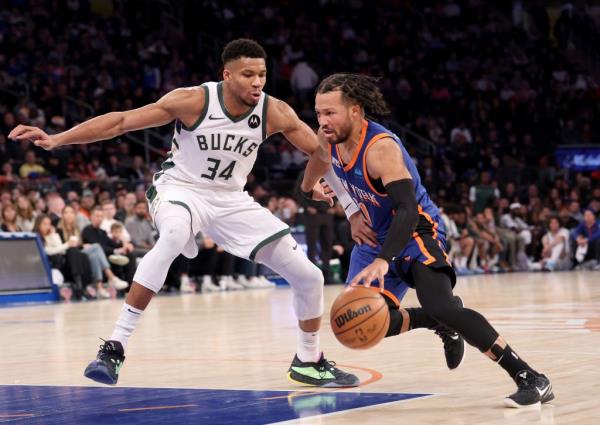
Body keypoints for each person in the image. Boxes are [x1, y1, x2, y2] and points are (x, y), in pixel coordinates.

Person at [9, 39, 359, 388]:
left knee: (310, 277)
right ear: (227, 75)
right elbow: (120, 122)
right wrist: (57, 139)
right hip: (180, 188)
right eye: (248, 74)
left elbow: (321, 151)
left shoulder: (274, 111)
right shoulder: (193, 100)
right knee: (174, 236)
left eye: (262, 75)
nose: (257, 82)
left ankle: (309, 361)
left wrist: (312, 186)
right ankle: (114, 348)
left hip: (230, 199)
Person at [300, 73, 553, 408]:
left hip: (417, 229)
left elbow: (406, 210)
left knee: (442, 305)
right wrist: (336, 203)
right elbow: (316, 167)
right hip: (375, 238)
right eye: (319, 113)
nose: (323, 120)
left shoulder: (381, 149)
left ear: (356, 111)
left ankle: (531, 378)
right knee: (358, 322)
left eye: (330, 113)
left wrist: (382, 260)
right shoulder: (328, 136)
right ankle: (436, 322)